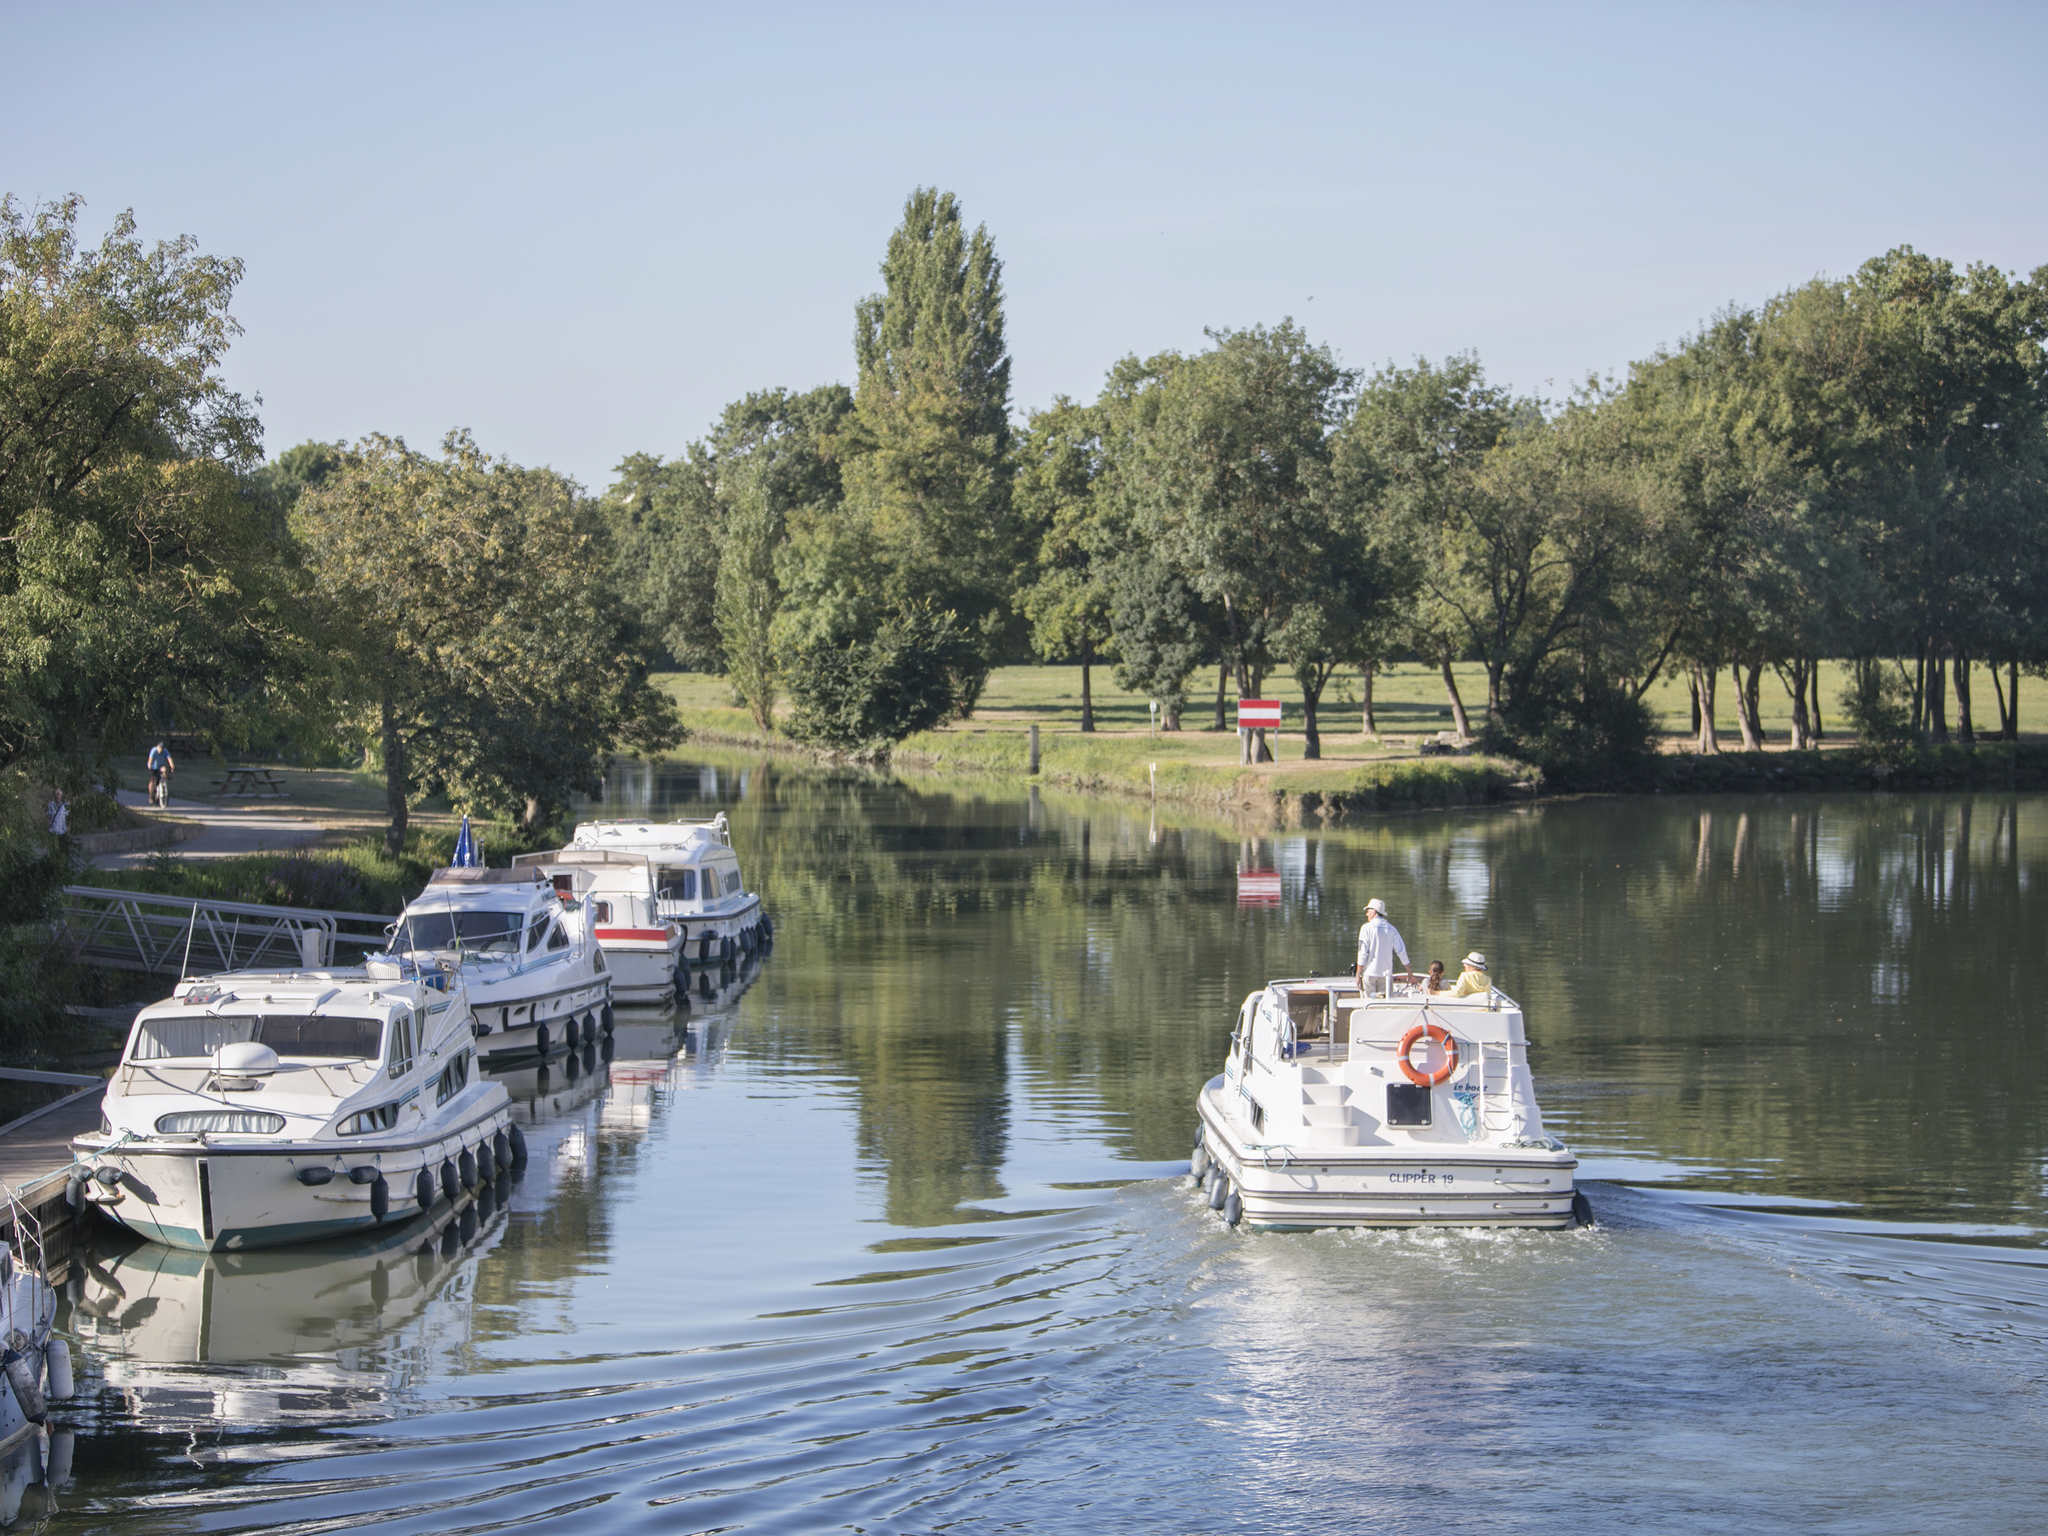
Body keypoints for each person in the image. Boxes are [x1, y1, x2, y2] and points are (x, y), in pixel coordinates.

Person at [1354, 897, 1410, 996]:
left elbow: (1362, 953)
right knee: (1386, 1006)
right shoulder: (1391, 929)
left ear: (1374, 912)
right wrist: (1409, 972)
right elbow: (1401, 951)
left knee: (1370, 1005)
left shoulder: (1365, 928)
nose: (1366, 914)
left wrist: (1358, 974)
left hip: (1369, 973)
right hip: (1386, 975)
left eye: (1368, 911)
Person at [146, 741, 174, 807]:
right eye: (159, 748)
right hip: (154, 767)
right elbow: (150, 760)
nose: (160, 750)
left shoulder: (165, 751)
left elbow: (169, 759)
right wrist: (149, 765)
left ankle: (164, 790)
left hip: (161, 767)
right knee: (153, 782)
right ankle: (151, 796)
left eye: (162, 748)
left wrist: (172, 766)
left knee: (164, 770)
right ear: (157, 747)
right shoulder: (154, 751)